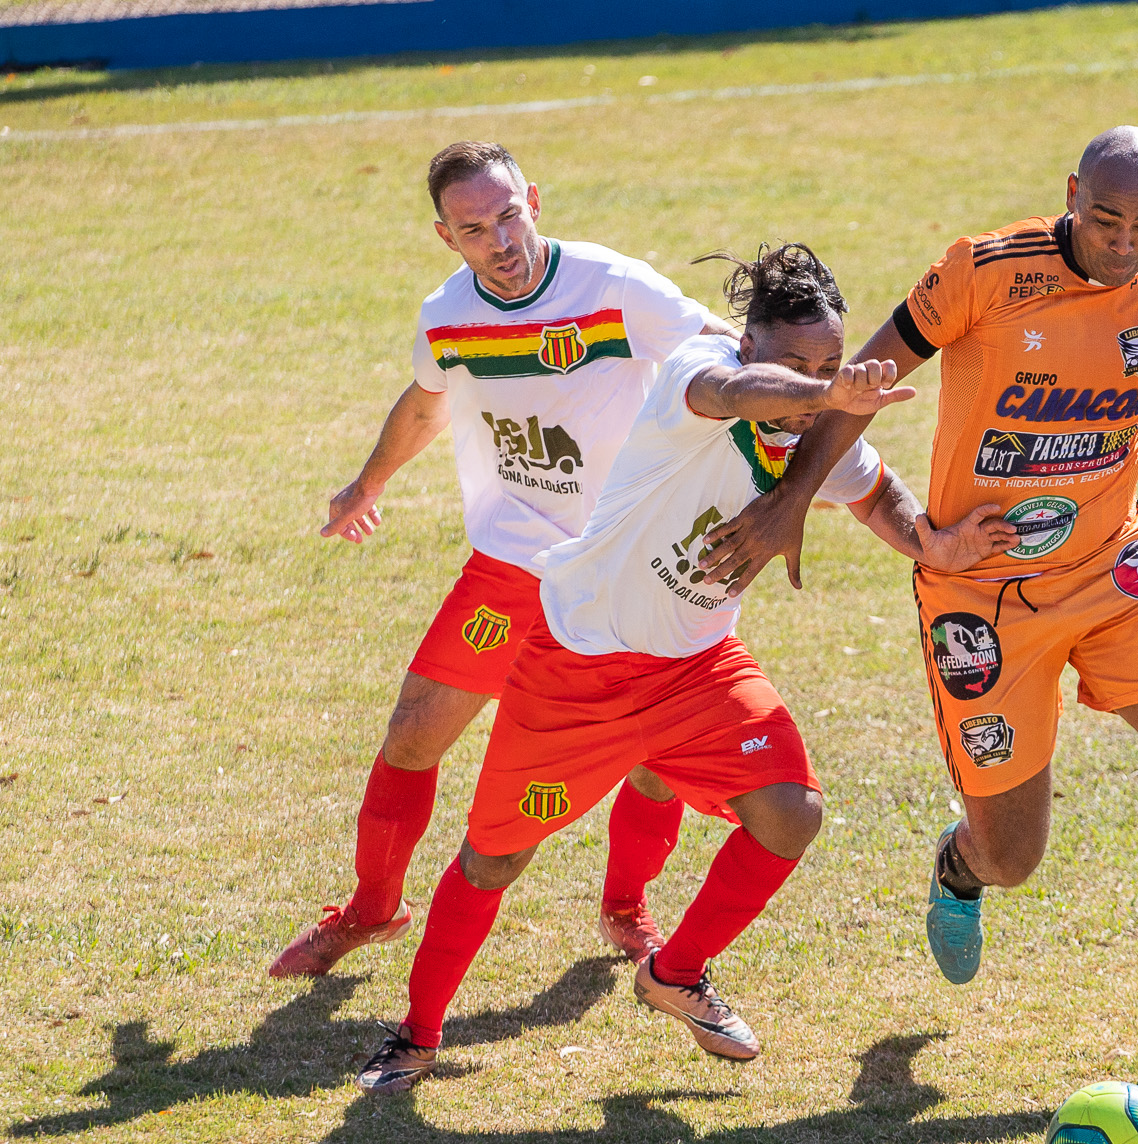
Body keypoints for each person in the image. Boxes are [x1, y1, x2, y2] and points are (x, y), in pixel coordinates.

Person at [691, 127, 1138, 1061]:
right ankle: (959, 865)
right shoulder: (983, 270)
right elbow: (863, 387)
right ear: (1070, 194)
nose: (1124, 242)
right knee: (1014, 857)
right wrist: (785, 504)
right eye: (1105, 219)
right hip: (982, 593)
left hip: (1117, 569)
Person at [355, 244, 1016, 1093]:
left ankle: (675, 972)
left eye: (828, 361)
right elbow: (735, 394)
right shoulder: (698, 376)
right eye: (794, 362)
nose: (814, 380)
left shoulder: (819, 427)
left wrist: (937, 541)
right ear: (748, 344)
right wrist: (826, 393)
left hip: (695, 669)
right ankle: (415, 1034)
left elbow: (872, 488)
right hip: (578, 665)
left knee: (792, 815)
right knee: (494, 860)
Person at [270, 141, 738, 979]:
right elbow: (427, 400)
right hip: (514, 564)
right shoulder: (447, 313)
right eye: (476, 227)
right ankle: (372, 910)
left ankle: (627, 908)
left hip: (625, 566)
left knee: (656, 759)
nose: (501, 241)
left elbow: (724, 350)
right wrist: (366, 482)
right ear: (447, 237)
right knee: (413, 736)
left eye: (509, 214)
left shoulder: (614, 286)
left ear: (536, 201)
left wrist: (809, 402)